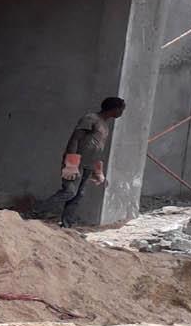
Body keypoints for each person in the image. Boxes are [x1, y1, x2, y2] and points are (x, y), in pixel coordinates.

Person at [33, 97, 126, 228]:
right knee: (69, 192)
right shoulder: (91, 119)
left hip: (88, 165)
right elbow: (75, 139)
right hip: (76, 162)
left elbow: (98, 148)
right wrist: (71, 163)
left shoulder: (104, 125)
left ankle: (66, 225)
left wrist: (98, 170)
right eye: (121, 109)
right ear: (114, 109)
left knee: (78, 196)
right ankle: (34, 213)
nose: (121, 112)